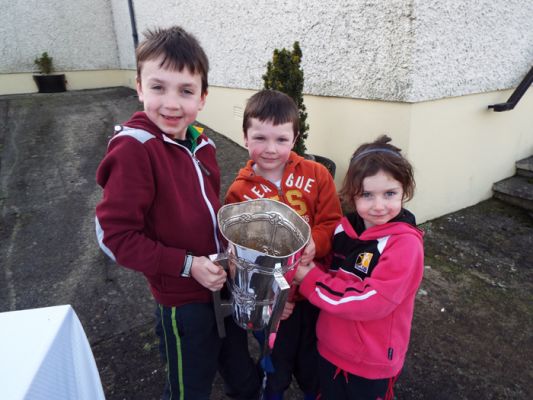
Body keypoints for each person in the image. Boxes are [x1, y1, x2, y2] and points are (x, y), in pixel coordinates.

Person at [95, 26, 257, 400]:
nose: (171, 104)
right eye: (158, 87)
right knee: (189, 386)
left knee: (240, 370)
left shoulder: (203, 143)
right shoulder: (134, 149)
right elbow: (114, 237)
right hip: (183, 302)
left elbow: (206, 208)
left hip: (224, 283)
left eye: (185, 91)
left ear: (202, 97)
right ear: (139, 87)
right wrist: (187, 265)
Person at [224, 89, 343, 400]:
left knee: (314, 367)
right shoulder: (239, 192)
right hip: (277, 307)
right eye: (260, 138)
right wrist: (270, 301)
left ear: (295, 138)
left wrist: (316, 243)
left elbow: (333, 223)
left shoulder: (317, 175)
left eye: (281, 139)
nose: (270, 149)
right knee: (275, 369)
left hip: (316, 293)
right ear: (245, 137)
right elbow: (240, 257)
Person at [293, 135, 424, 400]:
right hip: (329, 348)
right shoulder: (343, 230)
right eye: (367, 194)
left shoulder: (405, 245)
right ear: (352, 194)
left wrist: (309, 280)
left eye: (390, 193)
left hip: (371, 363)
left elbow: (372, 302)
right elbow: (325, 269)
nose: (379, 206)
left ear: (405, 190)